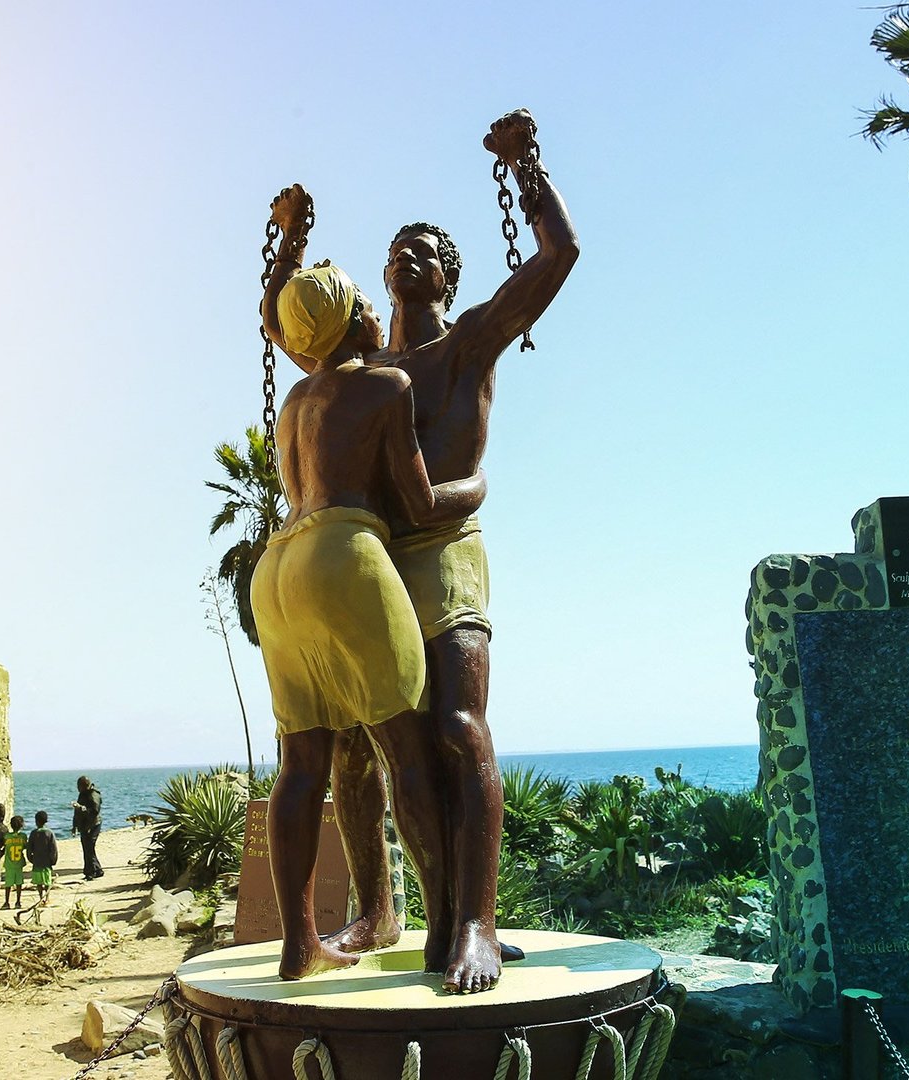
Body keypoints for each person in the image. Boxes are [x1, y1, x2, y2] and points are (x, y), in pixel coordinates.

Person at [279, 111, 578, 994]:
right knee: (352, 753)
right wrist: (289, 243)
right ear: (378, 279)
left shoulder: (471, 341)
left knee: (454, 728)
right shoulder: (358, 368)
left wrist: (527, 165)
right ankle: (382, 909)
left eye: (425, 248)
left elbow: (559, 256)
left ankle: (473, 924)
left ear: (449, 272)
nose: (407, 254)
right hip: (370, 560)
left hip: (442, 552)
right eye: (396, 248)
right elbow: (287, 321)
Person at [251, 249, 485, 981]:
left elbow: (281, 324)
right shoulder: (386, 385)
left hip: (276, 567)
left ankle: (301, 947)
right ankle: (449, 929)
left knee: (301, 764)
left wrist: (287, 248)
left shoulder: (294, 404)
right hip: (342, 555)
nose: (380, 316)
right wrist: (473, 490)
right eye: (367, 307)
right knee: (407, 748)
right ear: (355, 319)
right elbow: (417, 504)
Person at [74, 777, 104, 880]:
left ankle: (90, 872)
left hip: (93, 824)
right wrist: (74, 825)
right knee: (87, 848)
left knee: (89, 847)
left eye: (79, 786)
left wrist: (82, 809)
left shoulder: (93, 795)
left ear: (84, 786)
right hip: (84, 825)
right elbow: (77, 812)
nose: (78, 788)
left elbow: (95, 811)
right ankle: (96, 870)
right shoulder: (83, 794)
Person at [27, 810, 59, 904]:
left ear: (36, 821)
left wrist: (30, 858)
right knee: (47, 881)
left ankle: (41, 897)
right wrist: (53, 860)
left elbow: (29, 848)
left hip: (37, 861)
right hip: (47, 862)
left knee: (39, 882)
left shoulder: (33, 833)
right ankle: (47, 898)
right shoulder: (49, 833)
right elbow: (53, 848)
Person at [2, 814, 29, 910]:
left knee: (8, 884)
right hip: (19, 863)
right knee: (19, 883)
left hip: (9, 863)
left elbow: (4, 846)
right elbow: (25, 846)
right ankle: (18, 901)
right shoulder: (23, 837)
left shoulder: (7, 837)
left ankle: (6, 902)